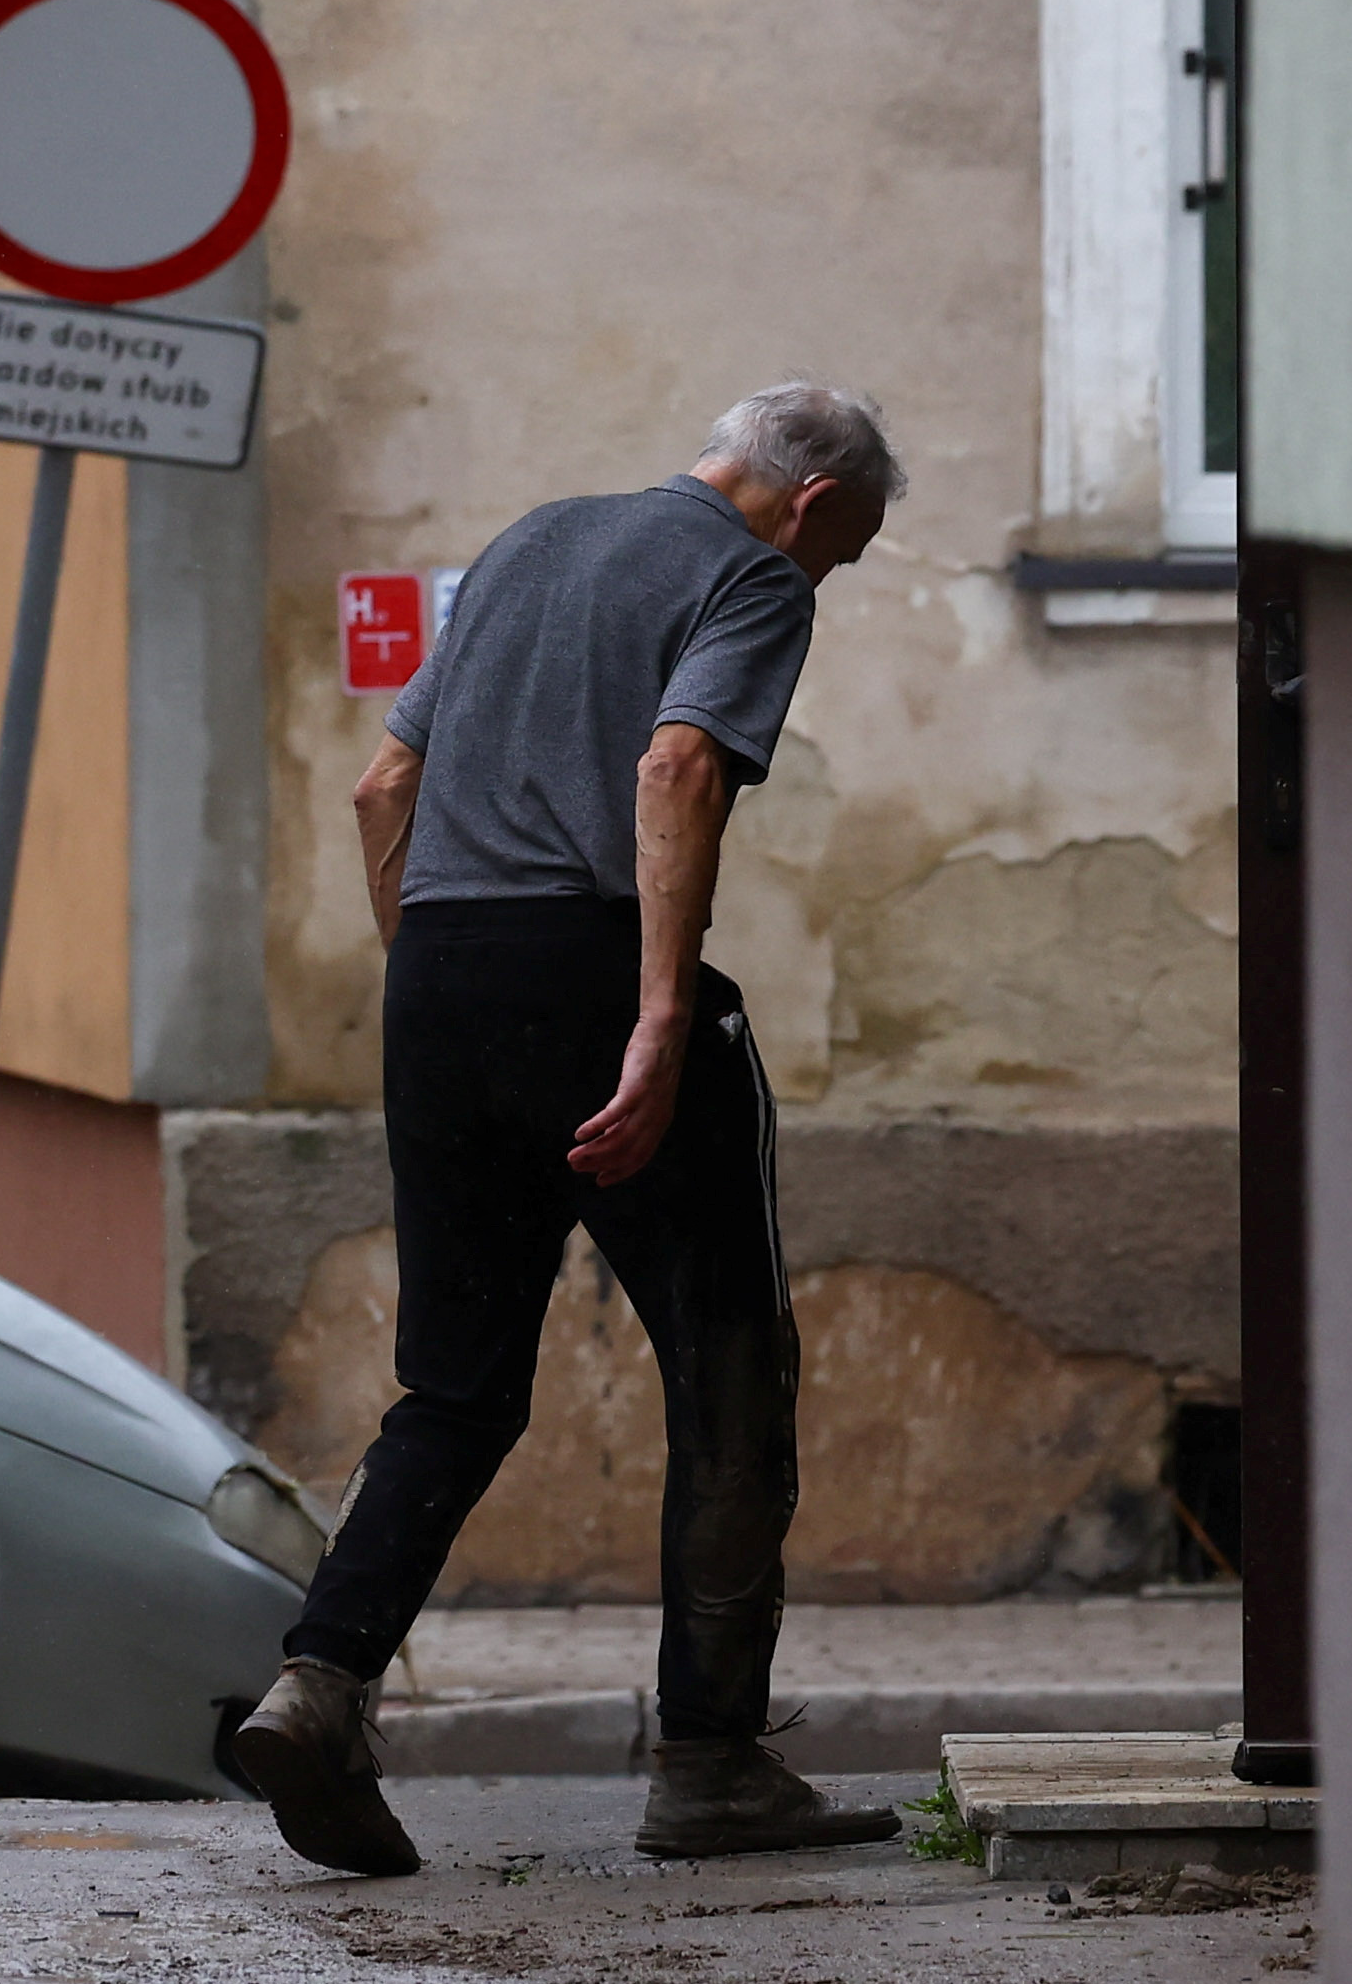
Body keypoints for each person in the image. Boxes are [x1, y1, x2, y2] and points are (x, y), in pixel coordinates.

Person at [233, 381, 906, 1875]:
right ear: (807, 504)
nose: (823, 581)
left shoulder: (525, 546)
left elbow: (379, 782)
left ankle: (318, 1683)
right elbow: (674, 767)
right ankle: (711, 1764)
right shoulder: (742, 575)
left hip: (440, 973)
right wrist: (656, 1016)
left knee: (454, 1389)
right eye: (838, 553)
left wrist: (436, 989)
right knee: (730, 1369)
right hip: (594, 969)